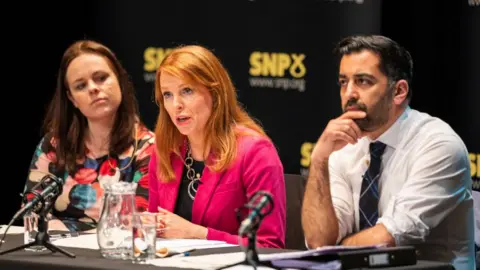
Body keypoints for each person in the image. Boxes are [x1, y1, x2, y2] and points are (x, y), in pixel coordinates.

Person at [301, 35, 474, 269]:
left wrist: (335, 251)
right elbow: (319, 241)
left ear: (399, 91)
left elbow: (387, 239)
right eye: (343, 82)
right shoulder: (342, 146)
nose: (349, 93)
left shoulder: (438, 145)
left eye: (363, 81)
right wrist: (319, 159)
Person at [148, 45, 286, 248]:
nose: (175, 104)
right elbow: (154, 227)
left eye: (186, 91)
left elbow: (269, 246)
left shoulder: (256, 152)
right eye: (167, 95)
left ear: (215, 93)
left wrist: (198, 234)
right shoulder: (165, 149)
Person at [23, 40, 155, 232]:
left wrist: (66, 232)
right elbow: (31, 211)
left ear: (119, 79)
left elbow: (140, 222)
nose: (93, 88)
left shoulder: (148, 148)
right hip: (56, 258)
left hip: (117, 258)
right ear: (72, 99)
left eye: (101, 78)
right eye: (80, 86)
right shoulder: (54, 144)